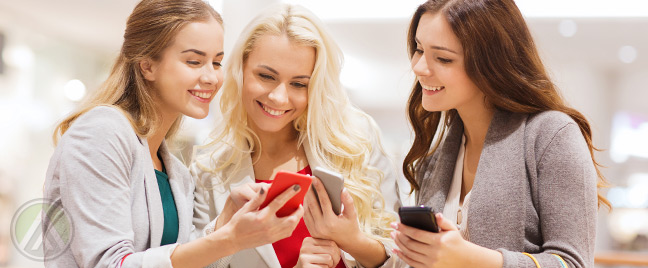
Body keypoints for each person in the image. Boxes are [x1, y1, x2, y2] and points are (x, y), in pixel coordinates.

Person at [42, 0, 303, 267]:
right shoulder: (101, 132)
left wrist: (227, 221)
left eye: (216, 62)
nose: (211, 77)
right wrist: (229, 240)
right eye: (194, 61)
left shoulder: (176, 171)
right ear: (147, 65)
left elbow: (179, 261)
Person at [390, 0, 610, 268]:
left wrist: (470, 258)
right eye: (419, 49)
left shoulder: (552, 136)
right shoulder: (435, 160)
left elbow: (572, 263)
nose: (419, 67)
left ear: (491, 63)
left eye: (443, 58)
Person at [191, 4, 401, 268]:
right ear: (240, 69)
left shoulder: (356, 142)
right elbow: (193, 260)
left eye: (299, 84)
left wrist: (353, 241)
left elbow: (404, 259)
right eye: (266, 76)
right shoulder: (209, 169)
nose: (279, 97)